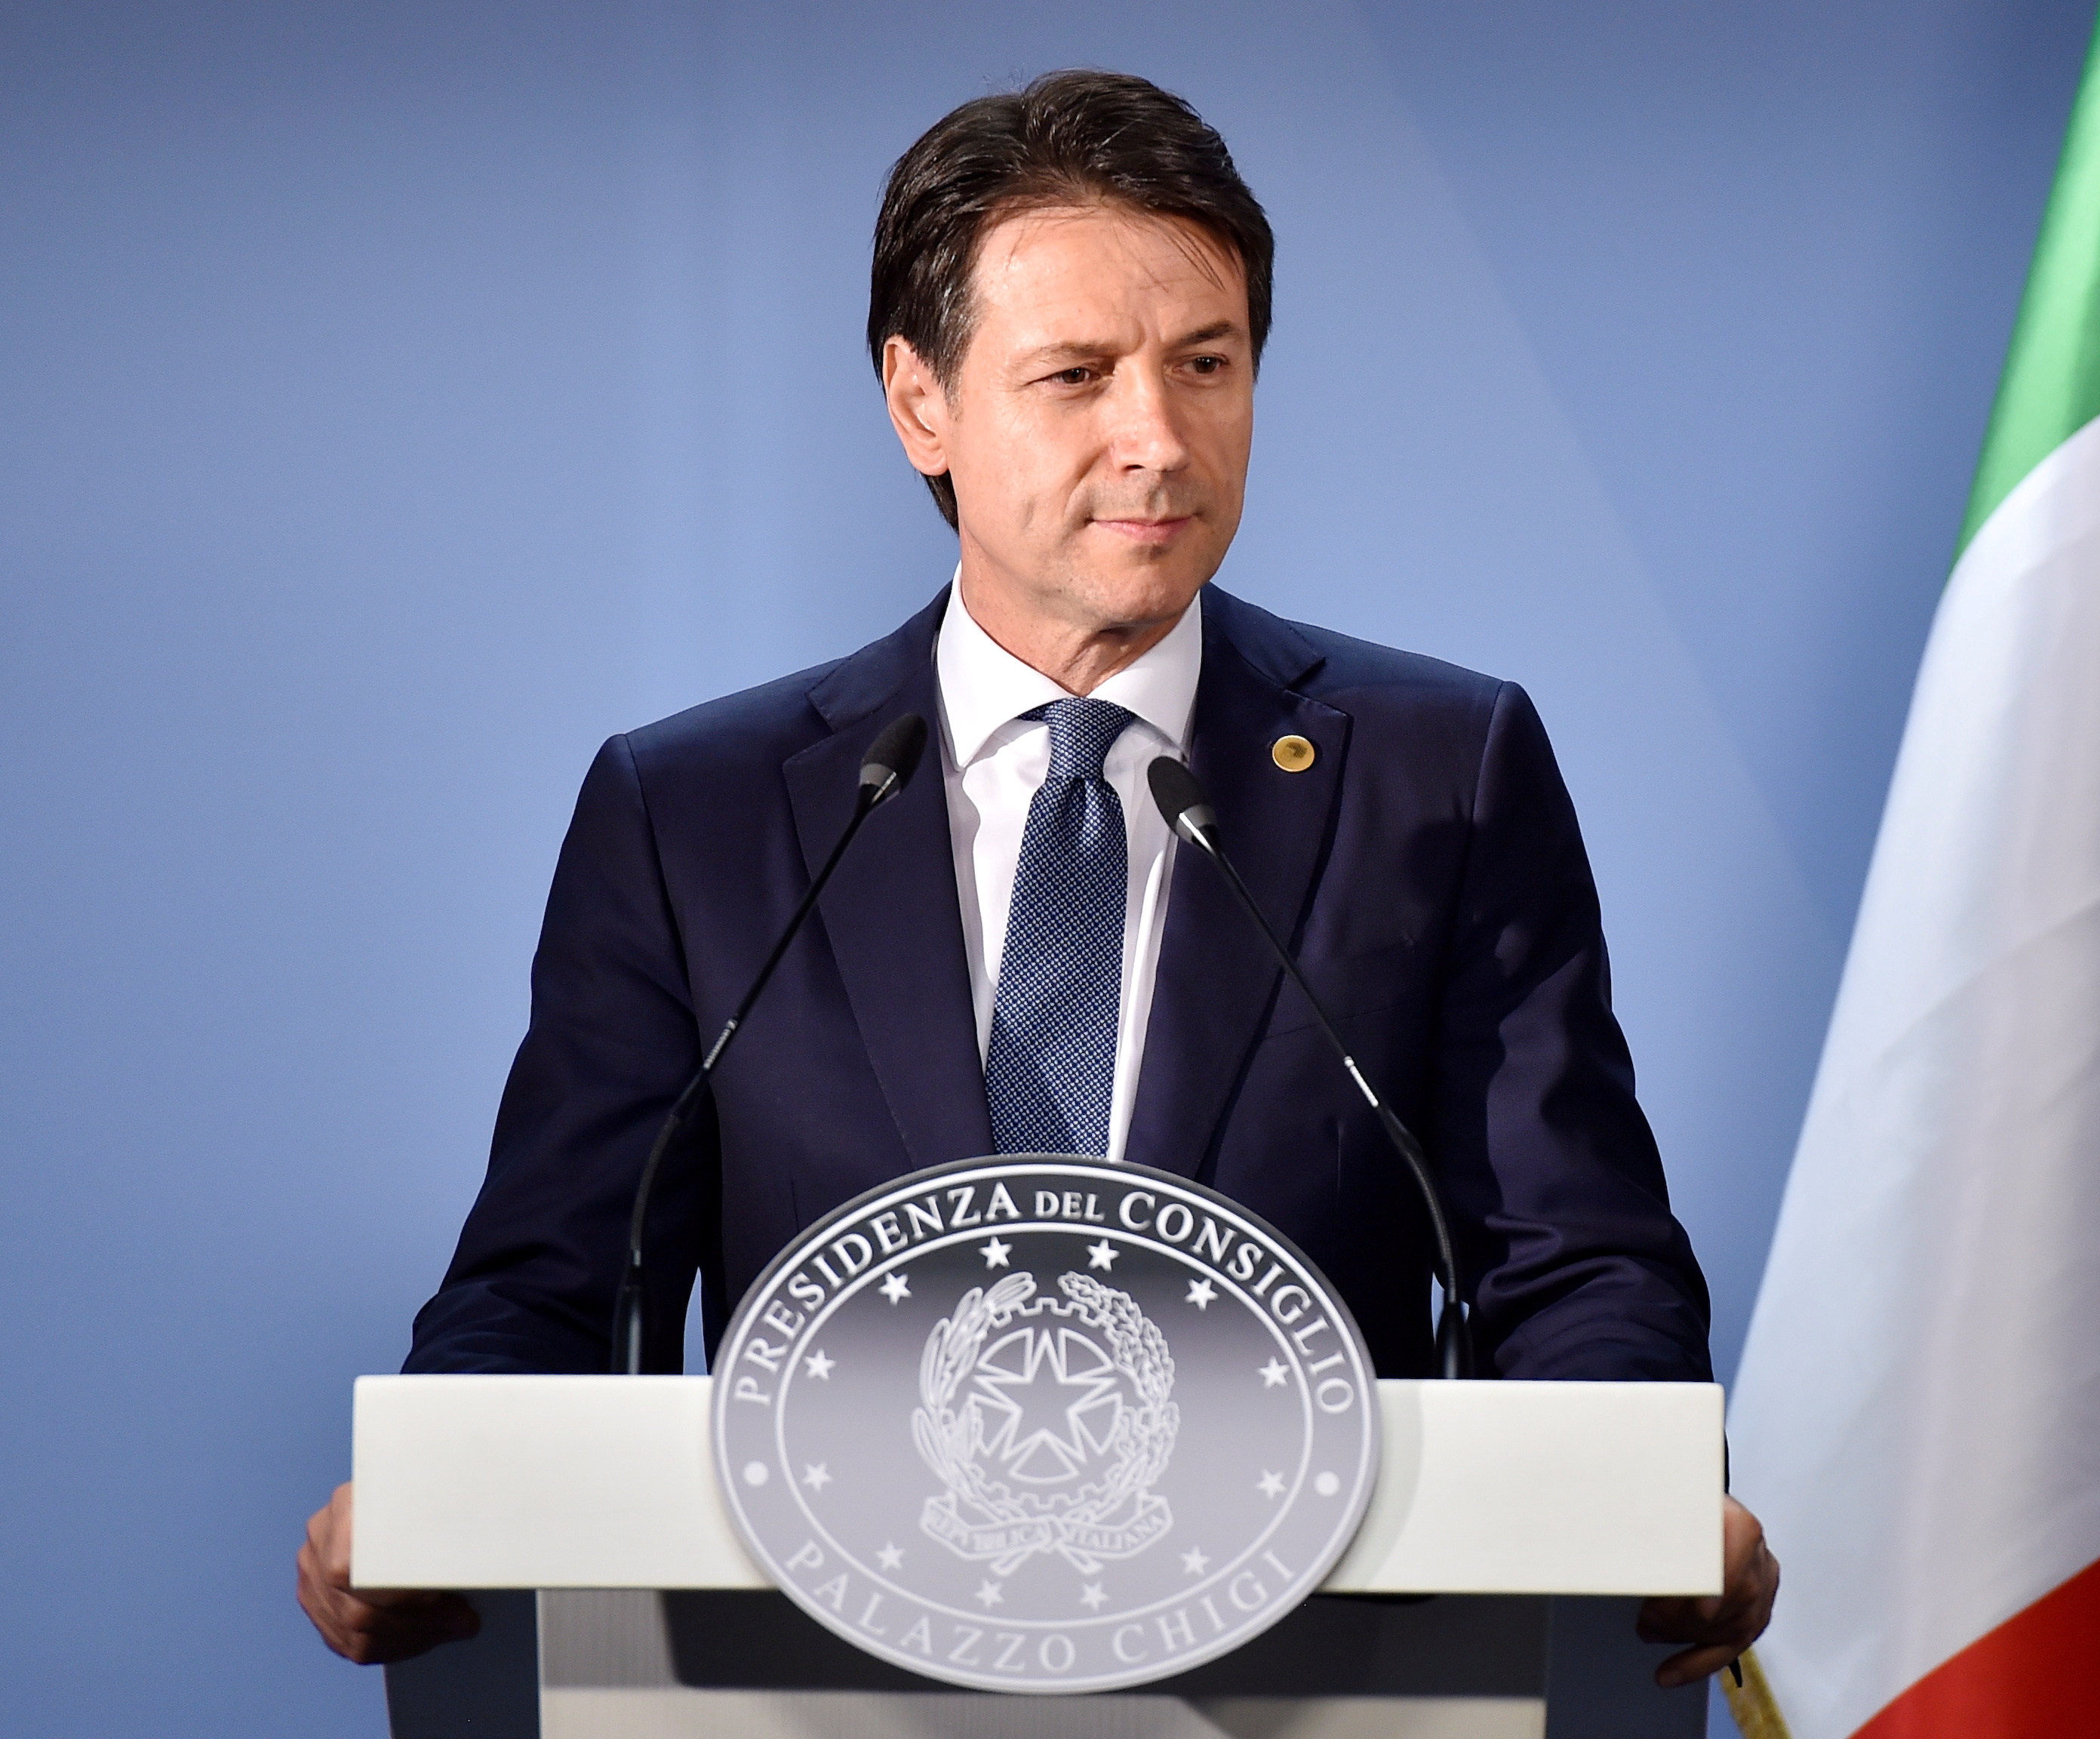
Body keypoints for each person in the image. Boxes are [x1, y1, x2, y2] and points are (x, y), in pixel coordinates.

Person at [296, 69, 1776, 1688]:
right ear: (919, 402)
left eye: (1206, 366)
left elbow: (1570, 1262)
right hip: (816, 1686)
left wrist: (1637, 1489)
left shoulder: (1438, 769)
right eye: (1076, 375)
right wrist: (434, 1481)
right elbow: (551, 1276)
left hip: (1326, 1680)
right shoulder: (697, 814)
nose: (1157, 437)